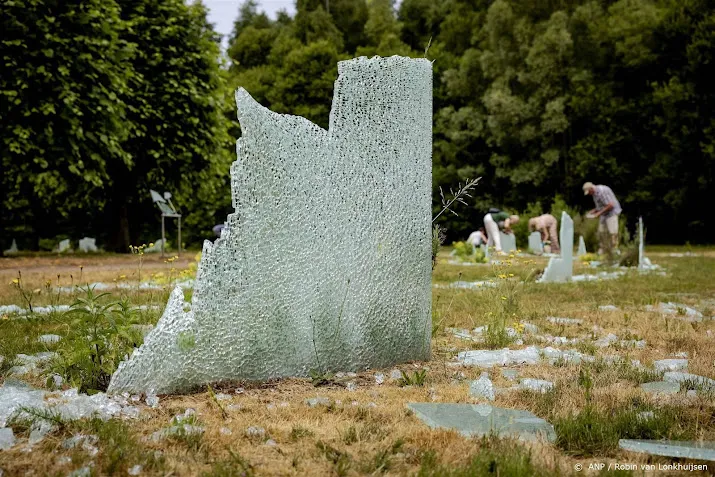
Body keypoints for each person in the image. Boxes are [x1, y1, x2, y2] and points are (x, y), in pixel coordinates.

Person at [583, 182, 622, 254]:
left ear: (591, 188)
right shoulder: (594, 194)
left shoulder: (602, 191)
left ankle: (614, 250)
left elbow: (610, 205)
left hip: (612, 213)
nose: (589, 194)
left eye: (589, 192)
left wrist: (598, 213)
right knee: (601, 232)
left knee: (613, 232)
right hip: (604, 214)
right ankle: (603, 249)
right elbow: (600, 207)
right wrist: (593, 211)